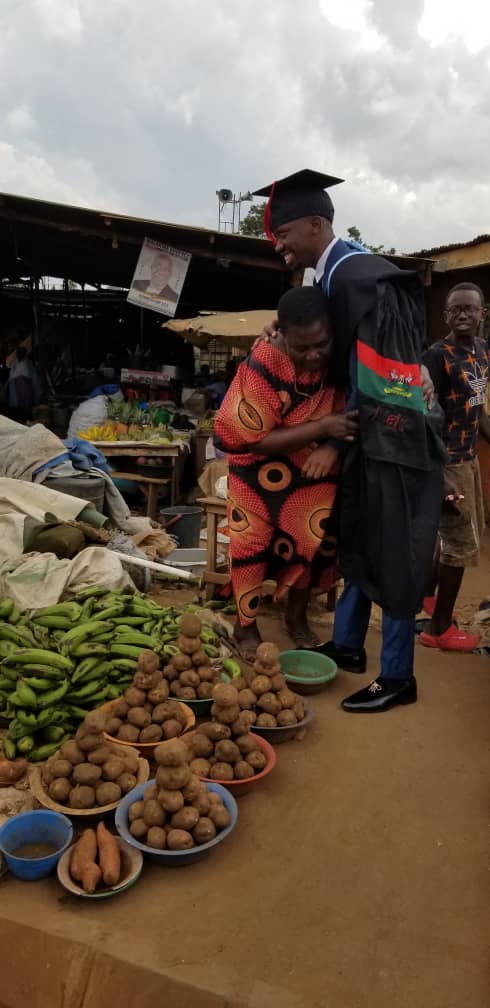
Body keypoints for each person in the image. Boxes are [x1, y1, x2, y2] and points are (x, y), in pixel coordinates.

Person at [253, 169, 446, 712]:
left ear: (315, 223)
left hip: (395, 442)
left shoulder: (363, 280)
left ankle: (399, 677)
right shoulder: (335, 277)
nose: (280, 245)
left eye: (284, 233)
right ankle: (347, 646)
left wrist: (336, 443)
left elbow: (381, 381)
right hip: (374, 445)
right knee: (358, 540)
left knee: (396, 552)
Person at [214, 285, 357, 659]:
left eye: (321, 345)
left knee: (312, 538)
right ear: (281, 336)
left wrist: (329, 443)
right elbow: (256, 441)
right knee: (250, 545)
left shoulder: (342, 351)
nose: (313, 355)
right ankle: (245, 626)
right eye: (301, 348)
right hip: (256, 468)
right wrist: (324, 428)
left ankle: (296, 617)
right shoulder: (263, 363)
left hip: (311, 469)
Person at [420, 282, 489, 651]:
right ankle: (439, 629)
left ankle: (428, 597)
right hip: (447, 462)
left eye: (470, 309)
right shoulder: (436, 355)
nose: (463, 314)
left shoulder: (482, 350)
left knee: (450, 536)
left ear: (482, 314)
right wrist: (442, 474)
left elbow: (476, 410)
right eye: (455, 309)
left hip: (470, 459)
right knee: (459, 544)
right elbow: (425, 417)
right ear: (446, 315)